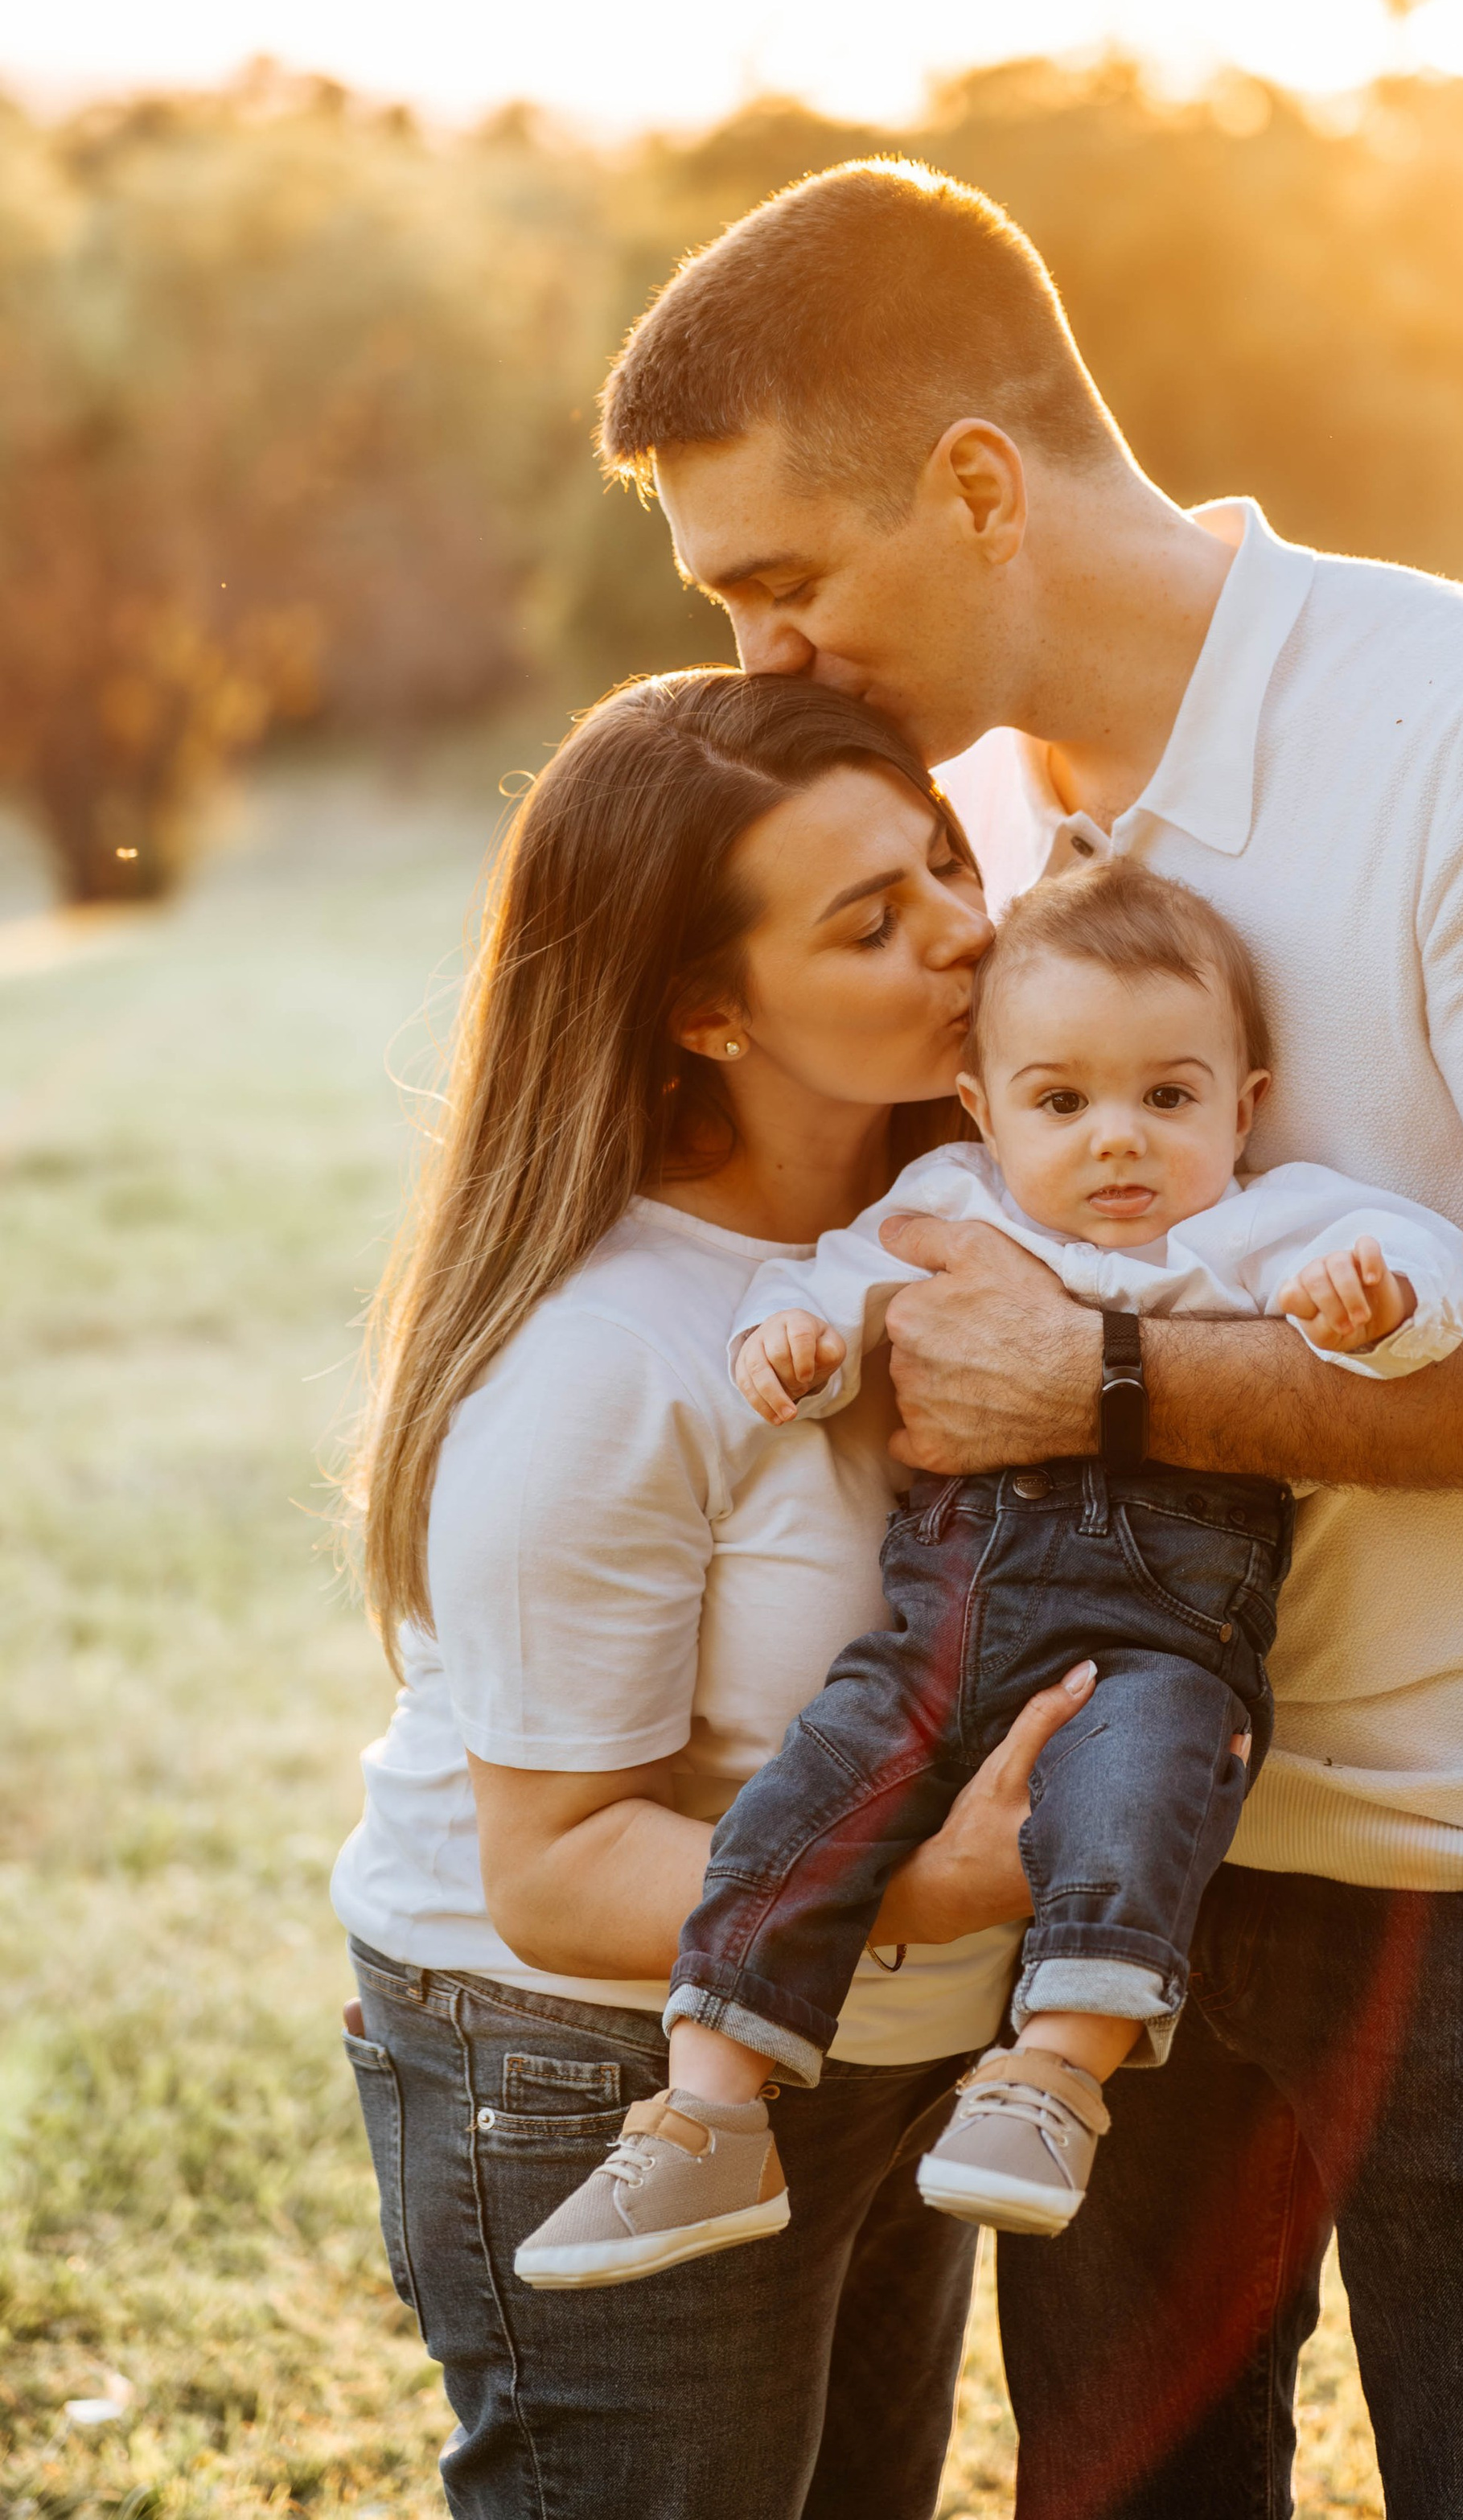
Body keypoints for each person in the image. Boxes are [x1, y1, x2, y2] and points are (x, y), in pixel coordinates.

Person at [596, 158, 1463, 2520]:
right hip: (1087, 1877)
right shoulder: (943, 837)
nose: (765, 661)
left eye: (784, 583)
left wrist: (1112, 1384)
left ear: (979, 488)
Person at [330, 667, 1093, 2520]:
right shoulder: (604, 1359)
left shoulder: (967, 1219)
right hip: (587, 2049)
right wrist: (930, 1886)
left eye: (944, 862)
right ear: (703, 1011)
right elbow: (559, 1861)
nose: (963, 931)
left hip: (875, 2034)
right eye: (870, 921)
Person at [516, 862, 1463, 2285]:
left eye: (1169, 1096)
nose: (1117, 1141)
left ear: (1245, 1108)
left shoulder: (1265, 1228)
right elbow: (826, 1282)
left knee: (1139, 1796)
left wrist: (1375, 1301)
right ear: (982, 1111)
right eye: (1061, 1101)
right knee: (808, 1796)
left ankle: (1053, 2077)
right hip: (943, 1634)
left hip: (1152, 1645)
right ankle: (709, 2112)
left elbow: (1418, 1257)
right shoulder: (955, 1202)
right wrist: (798, 1346)